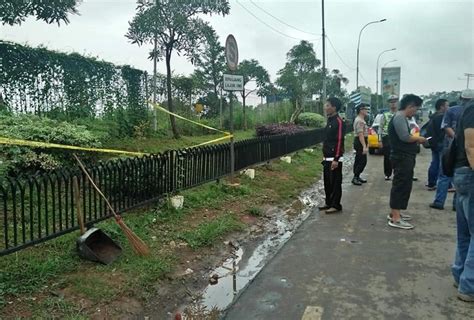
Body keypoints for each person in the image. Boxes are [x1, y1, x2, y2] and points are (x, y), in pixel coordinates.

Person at [387, 94, 427, 229]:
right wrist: (419, 139)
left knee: (403, 184)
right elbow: (405, 137)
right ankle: (396, 218)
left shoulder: (402, 117)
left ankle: (395, 213)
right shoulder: (399, 118)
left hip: (404, 156)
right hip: (401, 156)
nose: (415, 112)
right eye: (415, 109)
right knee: (400, 185)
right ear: (410, 106)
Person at [430, 91, 474, 210]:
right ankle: (456, 205)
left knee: (445, 174)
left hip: (449, 148)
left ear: (460, 98)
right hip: (465, 152)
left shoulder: (452, 110)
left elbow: (445, 126)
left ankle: (439, 202)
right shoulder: (470, 111)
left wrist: (456, 138)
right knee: (462, 177)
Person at [451, 96, 474, 302]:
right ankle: (469, 285)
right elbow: (471, 146)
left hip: (461, 173)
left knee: (465, 231)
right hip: (470, 173)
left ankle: (460, 275)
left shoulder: (467, 110)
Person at [319, 97, 345, 214]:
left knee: (335, 183)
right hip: (326, 157)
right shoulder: (329, 120)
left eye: (328, 105)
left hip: (334, 158)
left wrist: (336, 159)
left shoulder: (338, 121)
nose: (326, 107)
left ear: (334, 107)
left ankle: (336, 205)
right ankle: (328, 202)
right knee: (327, 182)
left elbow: (339, 140)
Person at [426, 99, 449, 190]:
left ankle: (431, 183)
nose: (448, 108)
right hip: (440, 143)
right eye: (447, 105)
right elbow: (443, 131)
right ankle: (443, 184)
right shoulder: (441, 117)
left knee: (434, 163)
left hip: (434, 143)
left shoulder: (433, 116)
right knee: (442, 165)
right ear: (441, 107)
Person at [379, 95, 399, 180]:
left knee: (398, 156)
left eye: (395, 102)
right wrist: (379, 140)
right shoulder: (385, 115)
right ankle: (387, 174)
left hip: (398, 137)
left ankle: (396, 172)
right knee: (387, 157)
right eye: (391, 102)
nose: (393, 104)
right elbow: (380, 127)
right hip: (387, 137)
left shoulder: (400, 114)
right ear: (389, 104)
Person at [352, 103, 369, 185]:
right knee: (362, 161)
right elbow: (360, 134)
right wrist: (364, 146)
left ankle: (357, 176)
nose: (366, 110)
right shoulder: (359, 121)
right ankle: (355, 177)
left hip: (361, 140)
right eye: (365, 109)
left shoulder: (361, 120)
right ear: (361, 110)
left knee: (359, 159)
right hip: (360, 141)